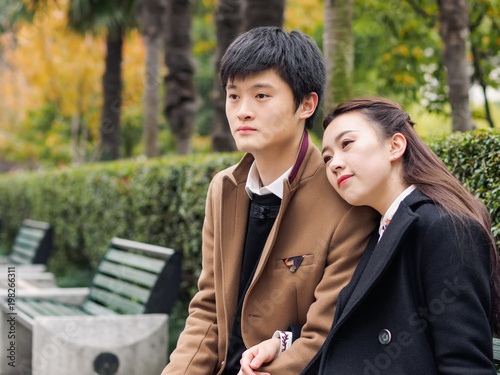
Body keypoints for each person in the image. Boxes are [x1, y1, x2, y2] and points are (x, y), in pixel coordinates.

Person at [161, 28, 377, 375]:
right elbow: (208, 310)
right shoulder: (224, 189)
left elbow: (325, 332)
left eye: (261, 96)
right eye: (234, 96)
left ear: (306, 104)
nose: (242, 111)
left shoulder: (343, 193)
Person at [239, 97, 500, 375]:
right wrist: (282, 343)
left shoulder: (442, 227)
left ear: (395, 146)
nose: (334, 164)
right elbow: (356, 329)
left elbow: (465, 365)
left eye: (347, 144)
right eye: (327, 157)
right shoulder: (379, 229)